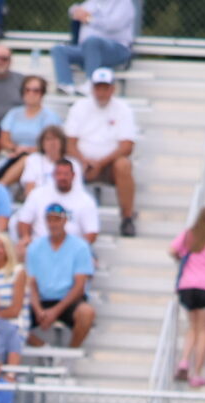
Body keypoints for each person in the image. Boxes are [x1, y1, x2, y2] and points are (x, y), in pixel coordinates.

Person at [63, 66, 138, 237]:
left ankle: (127, 218)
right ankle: (66, 218)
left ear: (113, 89)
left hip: (109, 165)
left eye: (105, 88)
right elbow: (69, 142)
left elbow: (127, 146)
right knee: (66, 166)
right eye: (98, 88)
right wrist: (84, 161)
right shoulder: (79, 107)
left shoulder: (123, 109)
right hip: (82, 163)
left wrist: (100, 163)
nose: (102, 93)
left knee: (124, 165)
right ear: (92, 89)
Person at [24, 201, 95, 348]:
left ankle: (71, 351)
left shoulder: (80, 247)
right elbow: (32, 283)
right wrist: (38, 310)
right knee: (10, 318)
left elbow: (79, 286)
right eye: (50, 219)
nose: (53, 224)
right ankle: (43, 348)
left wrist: (55, 312)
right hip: (42, 300)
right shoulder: (34, 247)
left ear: (65, 220)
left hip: (68, 301)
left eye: (57, 219)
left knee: (86, 313)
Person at [170, 206, 205, 388]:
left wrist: (181, 258)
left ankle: (184, 361)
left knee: (192, 327)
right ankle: (197, 373)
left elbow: (172, 250)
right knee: (203, 330)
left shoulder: (189, 235)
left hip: (187, 285)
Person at [51, 0, 132, 95]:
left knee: (92, 41)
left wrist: (90, 19)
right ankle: (66, 85)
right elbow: (74, 10)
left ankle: (91, 83)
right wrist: (76, 11)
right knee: (59, 49)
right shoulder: (93, 2)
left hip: (117, 49)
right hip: (87, 49)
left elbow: (114, 25)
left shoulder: (124, 3)